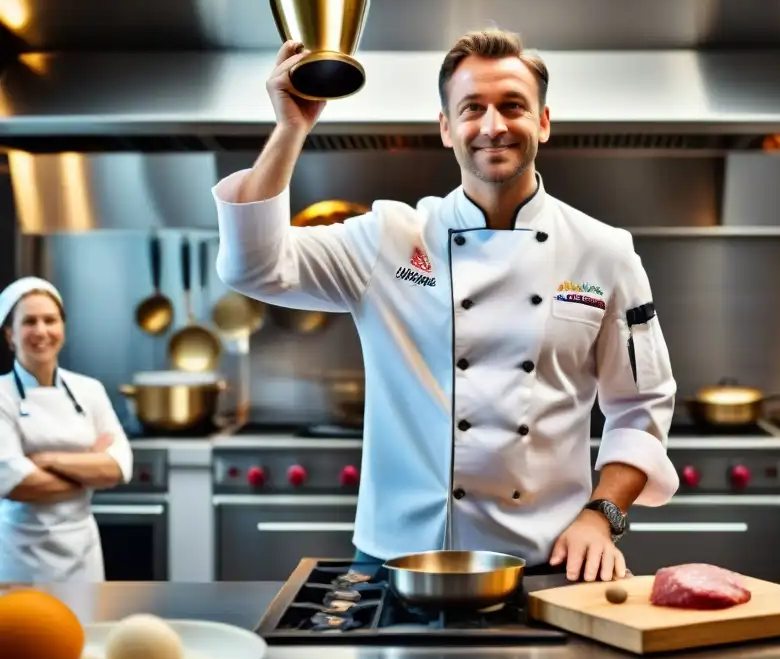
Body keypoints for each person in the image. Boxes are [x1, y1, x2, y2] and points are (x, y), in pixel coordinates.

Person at [212, 29, 679, 582]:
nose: (492, 126)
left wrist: (602, 516)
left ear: (544, 123)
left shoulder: (603, 251)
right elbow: (254, 264)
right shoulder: (388, 239)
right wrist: (291, 129)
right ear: (445, 128)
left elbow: (642, 406)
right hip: (397, 559)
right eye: (471, 108)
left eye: (513, 107)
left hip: (546, 560)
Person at [0, 277, 133, 582]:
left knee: (88, 628)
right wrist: (88, 470)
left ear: (63, 327)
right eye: (29, 322)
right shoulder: (1, 395)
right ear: (10, 335)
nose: (41, 331)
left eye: (50, 320)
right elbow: (17, 484)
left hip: (82, 553)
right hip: (20, 555)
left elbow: (119, 466)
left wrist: (45, 459)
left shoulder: (90, 390)